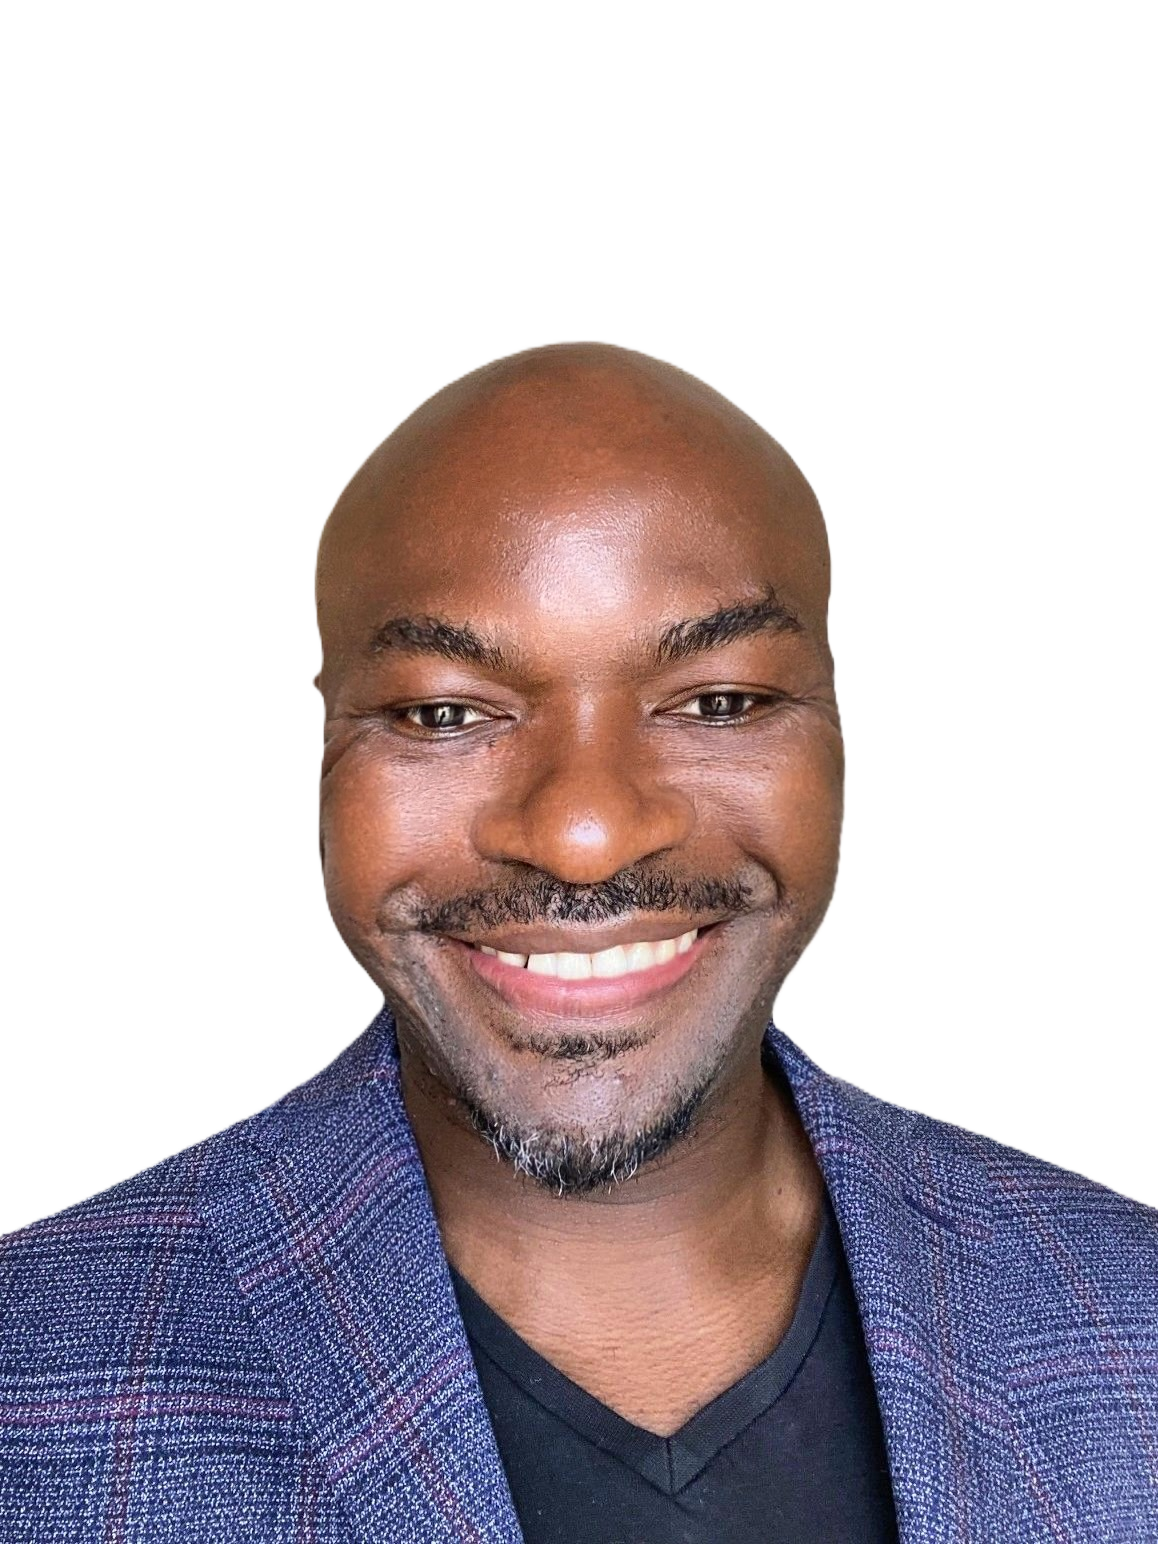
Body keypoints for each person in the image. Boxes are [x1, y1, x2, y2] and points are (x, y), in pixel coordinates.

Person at [2, 342, 1155, 1542]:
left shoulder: (1132, 1321)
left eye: (718, 702)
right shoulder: (31, 1380)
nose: (586, 834)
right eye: (446, 711)